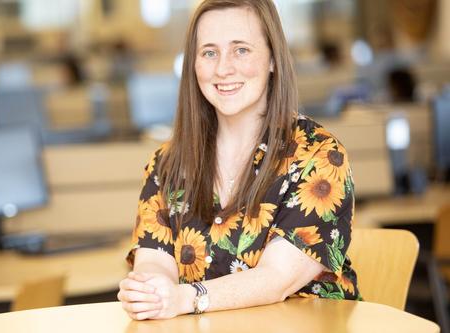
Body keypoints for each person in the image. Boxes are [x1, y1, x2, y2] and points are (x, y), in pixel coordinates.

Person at [118, 0, 361, 321]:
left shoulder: (317, 155)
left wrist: (186, 298)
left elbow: (277, 279)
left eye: (241, 50)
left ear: (273, 58)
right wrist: (152, 290)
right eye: (209, 52)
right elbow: (155, 259)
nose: (223, 68)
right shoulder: (168, 163)